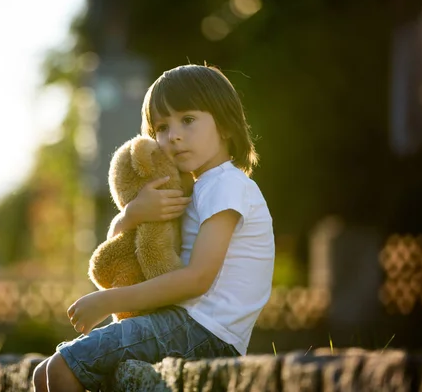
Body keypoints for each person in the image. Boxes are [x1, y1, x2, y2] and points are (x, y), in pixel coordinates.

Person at [33, 64, 275, 392]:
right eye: (161, 127)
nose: (173, 135)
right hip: (185, 324)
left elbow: (198, 279)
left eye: (187, 120)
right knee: (44, 373)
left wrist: (108, 301)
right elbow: (123, 252)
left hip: (206, 331)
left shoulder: (227, 185)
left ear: (225, 125)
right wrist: (132, 214)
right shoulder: (196, 188)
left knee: (62, 369)